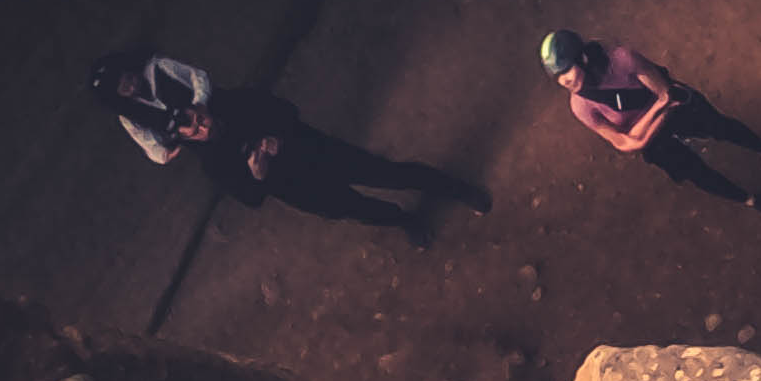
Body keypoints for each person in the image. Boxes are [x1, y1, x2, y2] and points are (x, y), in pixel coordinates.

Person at [82, 49, 481, 245]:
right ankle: (406, 221)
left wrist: (278, 137)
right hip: (294, 186)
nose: (198, 124)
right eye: (189, 128)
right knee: (352, 208)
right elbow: (250, 197)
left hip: (311, 150)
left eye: (196, 115)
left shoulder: (233, 102)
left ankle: (456, 189)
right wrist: (257, 173)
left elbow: (285, 110)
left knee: (385, 173)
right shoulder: (211, 164)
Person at [539, 29, 761, 212]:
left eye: (567, 70)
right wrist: (659, 109)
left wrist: (644, 127)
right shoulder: (581, 106)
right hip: (663, 120)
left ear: (583, 58)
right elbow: (626, 143)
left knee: (722, 127)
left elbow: (662, 92)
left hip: (667, 116)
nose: (564, 81)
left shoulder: (623, 59)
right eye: (558, 76)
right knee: (696, 172)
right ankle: (752, 201)